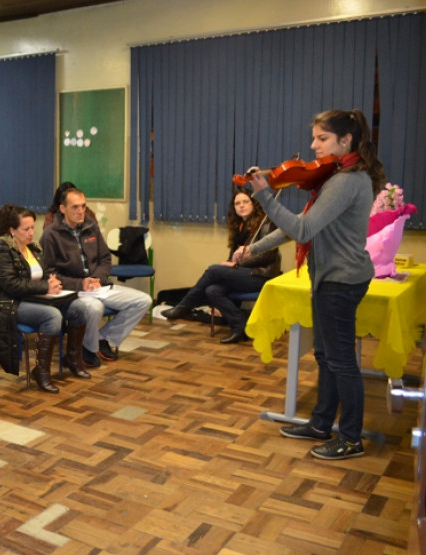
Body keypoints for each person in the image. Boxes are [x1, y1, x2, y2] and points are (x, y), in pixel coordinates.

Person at [237, 109, 384, 461]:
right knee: (325, 355)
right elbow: (298, 225)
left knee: (341, 361)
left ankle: (350, 439)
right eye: (314, 137)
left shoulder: (347, 181)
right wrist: (252, 248)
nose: (313, 145)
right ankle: (321, 424)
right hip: (328, 277)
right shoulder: (333, 177)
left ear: (345, 140)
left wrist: (265, 196)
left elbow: (303, 230)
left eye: (322, 138)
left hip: (341, 279)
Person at [40, 188, 152, 370]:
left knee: (142, 301)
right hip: (73, 291)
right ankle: (87, 350)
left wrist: (97, 278)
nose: (80, 211)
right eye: (75, 207)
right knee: (94, 307)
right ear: (62, 209)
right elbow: (49, 273)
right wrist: (80, 283)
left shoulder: (90, 226)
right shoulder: (51, 235)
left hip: (98, 286)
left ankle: (103, 339)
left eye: (83, 206)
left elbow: (105, 258)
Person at [0, 205, 88, 393]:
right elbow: (12, 285)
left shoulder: (34, 248)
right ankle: (42, 371)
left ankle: (72, 358)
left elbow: (45, 272)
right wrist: (45, 287)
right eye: (26, 229)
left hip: (36, 298)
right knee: (52, 316)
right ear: (12, 230)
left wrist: (52, 281)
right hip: (9, 304)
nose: (31, 233)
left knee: (80, 307)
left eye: (33, 228)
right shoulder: (2, 251)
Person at [161, 190, 281, 343]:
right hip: (244, 275)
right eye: (237, 203)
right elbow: (232, 258)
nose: (241, 206)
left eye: (245, 202)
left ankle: (184, 306)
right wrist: (232, 265)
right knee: (212, 290)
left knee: (213, 270)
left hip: (261, 275)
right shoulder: (240, 227)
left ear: (254, 204)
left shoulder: (267, 223)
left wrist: (237, 264)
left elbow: (267, 255)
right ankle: (239, 327)